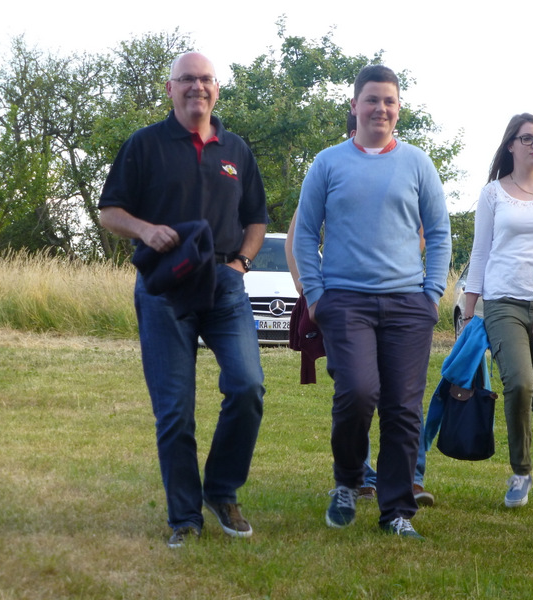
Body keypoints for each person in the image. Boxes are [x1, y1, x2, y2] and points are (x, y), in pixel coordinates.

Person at [98, 52, 268, 549]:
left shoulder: (236, 148)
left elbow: (256, 218)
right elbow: (110, 211)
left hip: (224, 285)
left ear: (217, 88)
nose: (197, 86)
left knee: (247, 387)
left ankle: (221, 490)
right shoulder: (145, 144)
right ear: (170, 88)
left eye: (205, 79)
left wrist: (241, 264)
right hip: (165, 288)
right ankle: (185, 518)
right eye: (187, 79)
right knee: (175, 409)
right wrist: (145, 230)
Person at [292, 65, 451, 539]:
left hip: (408, 304)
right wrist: (316, 295)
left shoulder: (418, 163)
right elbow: (304, 234)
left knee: (403, 408)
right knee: (358, 393)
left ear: (398, 109)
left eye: (389, 101)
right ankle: (347, 482)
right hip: (346, 302)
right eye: (372, 100)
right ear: (355, 105)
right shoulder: (327, 163)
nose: (380, 109)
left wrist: (432, 294)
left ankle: (397, 511)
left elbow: (439, 232)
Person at [462, 113, 533, 514]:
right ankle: (521, 472)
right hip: (503, 300)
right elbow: (480, 252)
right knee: (520, 384)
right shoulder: (493, 194)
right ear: (510, 145)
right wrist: (469, 310)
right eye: (527, 138)